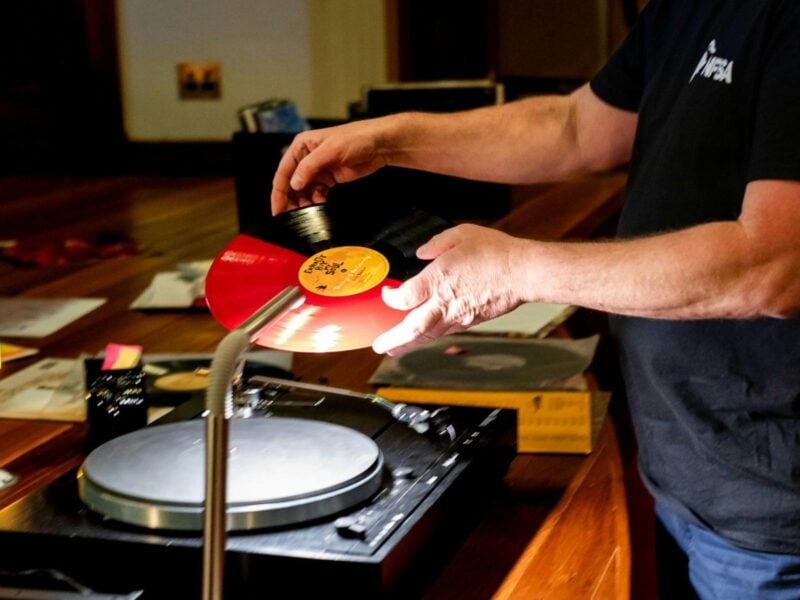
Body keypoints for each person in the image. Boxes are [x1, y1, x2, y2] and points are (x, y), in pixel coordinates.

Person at [271, 1, 800, 597]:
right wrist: (390, 139)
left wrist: (516, 269)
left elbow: (772, 267)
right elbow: (576, 128)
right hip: (691, 468)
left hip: (774, 514)